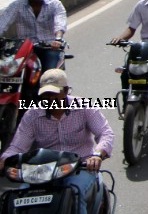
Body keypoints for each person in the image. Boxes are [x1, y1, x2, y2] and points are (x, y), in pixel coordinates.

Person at [1, 69, 113, 214]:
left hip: (80, 169)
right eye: (45, 94)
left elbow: (105, 133)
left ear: (66, 91)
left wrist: (97, 155)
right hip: (42, 173)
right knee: (16, 201)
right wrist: (4, 160)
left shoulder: (85, 107)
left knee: (75, 193)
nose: (50, 98)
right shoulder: (32, 115)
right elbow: (17, 147)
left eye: (54, 94)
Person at [0, 0, 67, 72]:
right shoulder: (16, 6)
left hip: (49, 47)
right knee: (9, 72)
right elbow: (2, 23)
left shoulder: (55, 5)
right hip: (24, 49)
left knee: (49, 75)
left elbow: (60, 23)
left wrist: (58, 39)